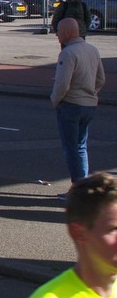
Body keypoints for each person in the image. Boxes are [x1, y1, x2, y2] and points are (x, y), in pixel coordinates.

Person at [51, 17, 105, 187]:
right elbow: (101, 79)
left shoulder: (68, 53)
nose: (56, 35)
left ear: (67, 32)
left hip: (71, 104)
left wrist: (55, 100)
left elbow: (62, 83)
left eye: (58, 31)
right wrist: (92, 93)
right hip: (89, 104)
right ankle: (83, 185)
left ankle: (78, 187)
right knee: (81, 145)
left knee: (71, 148)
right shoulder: (92, 50)